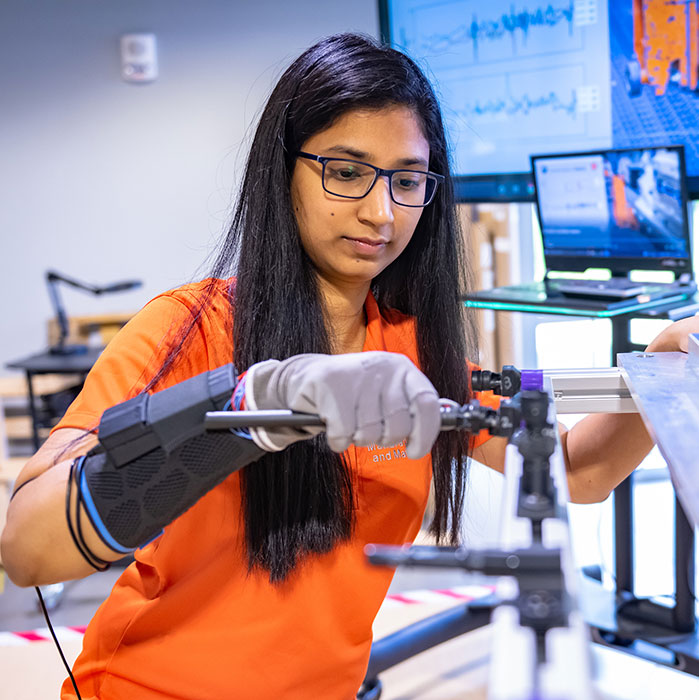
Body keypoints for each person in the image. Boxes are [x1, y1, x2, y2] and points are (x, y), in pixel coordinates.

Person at [1, 32, 697, 700]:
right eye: (345, 172)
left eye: (407, 181)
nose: (379, 212)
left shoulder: (412, 355)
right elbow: (28, 550)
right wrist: (251, 409)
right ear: (284, 170)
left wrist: (659, 365)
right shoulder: (188, 329)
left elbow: (578, 471)